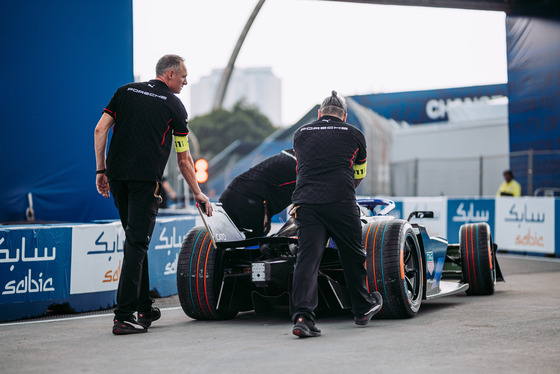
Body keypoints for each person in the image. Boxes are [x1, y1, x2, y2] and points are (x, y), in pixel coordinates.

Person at [94, 54, 213, 335]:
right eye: (183, 76)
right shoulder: (174, 105)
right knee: (137, 243)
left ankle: (144, 307)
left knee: (136, 240)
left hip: (118, 179)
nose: (186, 81)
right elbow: (184, 160)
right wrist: (199, 193)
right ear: (169, 74)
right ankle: (124, 316)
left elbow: (100, 130)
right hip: (145, 183)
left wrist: (101, 171)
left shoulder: (124, 92)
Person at [290, 90, 382, 338]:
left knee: (307, 261)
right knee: (352, 255)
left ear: (319, 114)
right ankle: (362, 308)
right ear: (344, 116)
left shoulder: (300, 134)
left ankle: (302, 317)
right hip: (341, 201)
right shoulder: (355, 134)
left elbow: (303, 168)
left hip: (306, 203)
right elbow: (358, 173)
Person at [219, 149, 297, 238]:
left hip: (229, 194)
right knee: (256, 245)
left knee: (225, 246)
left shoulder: (289, 155)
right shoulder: (304, 169)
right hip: (251, 203)